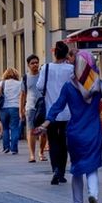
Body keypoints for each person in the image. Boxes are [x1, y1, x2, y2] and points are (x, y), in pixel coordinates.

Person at [37, 50, 102, 203]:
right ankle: (93, 195)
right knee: (92, 168)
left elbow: (57, 106)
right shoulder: (98, 85)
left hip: (74, 132)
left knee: (76, 171)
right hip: (93, 132)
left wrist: (46, 123)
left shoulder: (69, 86)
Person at [37, 41, 74, 185]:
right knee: (64, 143)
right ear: (66, 54)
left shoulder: (46, 68)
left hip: (50, 112)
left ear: (54, 53)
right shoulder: (70, 69)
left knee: (53, 142)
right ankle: (62, 172)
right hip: (67, 112)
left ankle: (55, 169)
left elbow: (40, 86)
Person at [21, 54, 47, 163]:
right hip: (30, 107)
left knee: (43, 131)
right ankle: (32, 155)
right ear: (28, 65)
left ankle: (41, 152)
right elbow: (23, 94)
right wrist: (21, 109)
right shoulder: (26, 77)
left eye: (36, 62)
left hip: (43, 106)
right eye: (32, 63)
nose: (35, 64)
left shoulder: (43, 75)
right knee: (31, 131)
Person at [0, 68, 22, 154]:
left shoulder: (2, 83)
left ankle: (6, 148)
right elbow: (22, 95)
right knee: (14, 128)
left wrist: (2, 94)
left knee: (5, 128)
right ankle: (14, 149)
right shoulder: (19, 83)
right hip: (15, 107)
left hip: (4, 108)